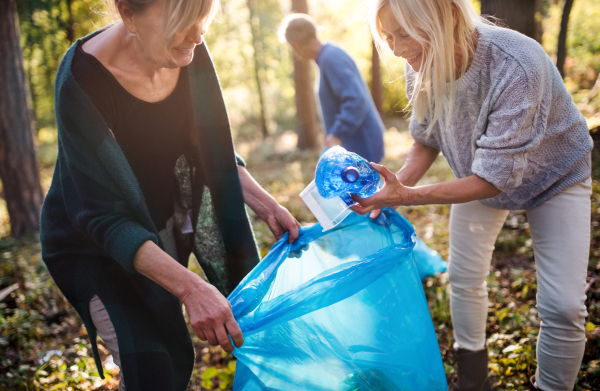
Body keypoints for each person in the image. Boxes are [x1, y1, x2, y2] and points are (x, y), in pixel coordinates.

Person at [39, 0, 300, 389]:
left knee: (255, 323)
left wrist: (265, 203)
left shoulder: (187, 49)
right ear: (128, 13)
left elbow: (209, 146)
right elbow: (104, 219)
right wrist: (192, 287)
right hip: (95, 247)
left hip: (161, 225)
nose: (198, 34)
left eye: (203, 19)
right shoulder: (82, 80)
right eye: (183, 21)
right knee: (155, 369)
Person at [351, 1, 594, 390]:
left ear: (446, 15)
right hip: (479, 174)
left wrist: (407, 197)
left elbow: (492, 180)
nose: (396, 49)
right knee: (463, 278)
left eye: (404, 33)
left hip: (555, 177)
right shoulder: (422, 65)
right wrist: (391, 190)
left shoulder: (516, 63)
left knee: (563, 306)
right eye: (389, 37)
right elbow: (425, 140)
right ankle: (473, 379)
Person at [279, 14, 385, 163]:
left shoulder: (330, 58)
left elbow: (356, 100)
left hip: (362, 144)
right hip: (352, 143)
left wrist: (336, 133)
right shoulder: (326, 57)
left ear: (295, 44)